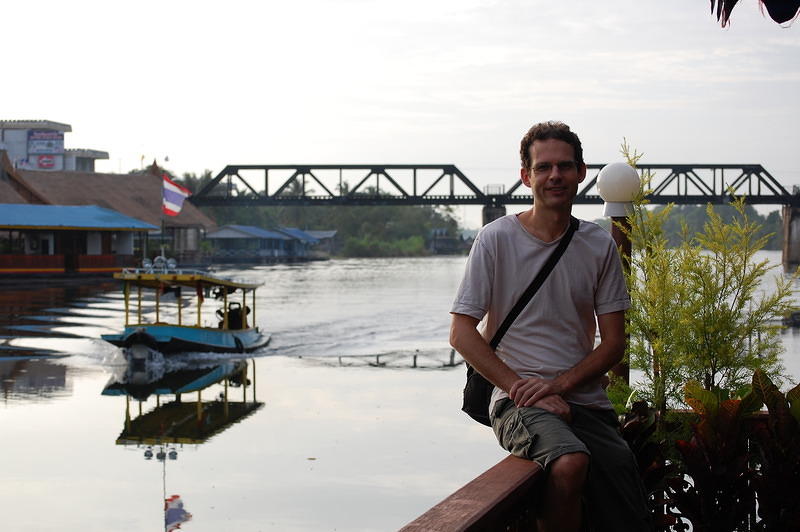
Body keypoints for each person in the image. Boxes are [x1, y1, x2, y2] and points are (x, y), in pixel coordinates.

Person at [449, 121, 651, 532]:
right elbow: (461, 333)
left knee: (626, 505)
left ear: (581, 172)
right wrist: (523, 388)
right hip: (516, 401)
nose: (554, 176)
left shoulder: (599, 246)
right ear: (526, 176)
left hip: (585, 402)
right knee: (568, 460)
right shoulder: (495, 239)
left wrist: (556, 386)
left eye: (564, 166)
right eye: (543, 167)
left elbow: (613, 344)